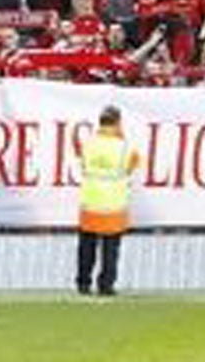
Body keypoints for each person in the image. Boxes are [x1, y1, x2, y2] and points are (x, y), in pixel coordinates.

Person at [75, 105, 140, 297]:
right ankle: (106, 285)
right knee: (110, 248)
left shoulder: (88, 144)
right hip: (114, 204)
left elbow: (83, 165)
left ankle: (83, 283)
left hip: (90, 202)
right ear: (118, 123)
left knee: (87, 245)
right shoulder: (125, 147)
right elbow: (132, 167)